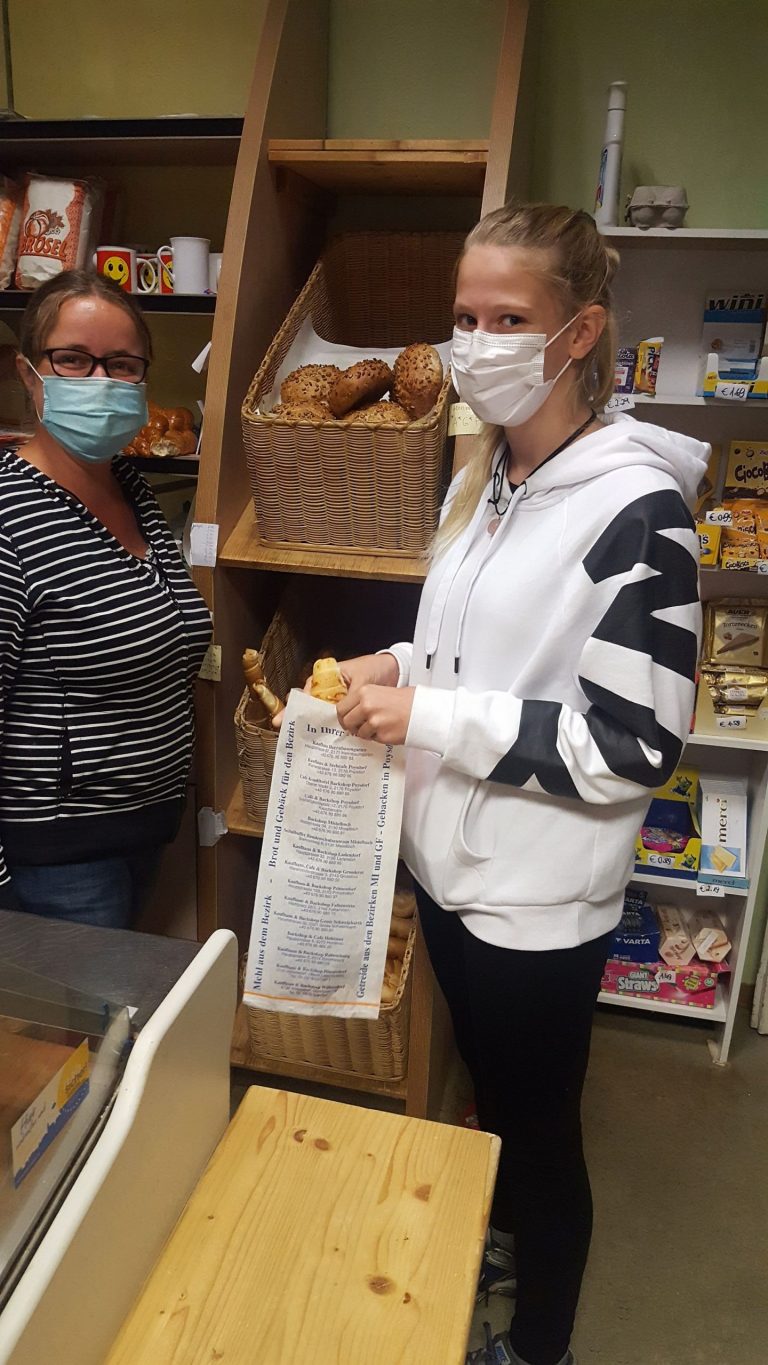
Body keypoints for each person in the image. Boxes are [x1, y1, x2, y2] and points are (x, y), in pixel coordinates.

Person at [328, 203, 707, 1365]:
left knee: (542, 1139)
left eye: (509, 318)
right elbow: (485, 647)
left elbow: (633, 744)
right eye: (464, 315)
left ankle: (539, 1346)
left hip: (535, 909)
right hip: (453, 876)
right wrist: (401, 665)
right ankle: (509, 1255)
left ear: (579, 332)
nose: (476, 341)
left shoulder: (638, 512)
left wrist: (430, 716)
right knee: (497, 1103)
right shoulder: (492, 476)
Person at [0, 270, 211, 929]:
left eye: (121, 365)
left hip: (143, 829)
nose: (100, 381)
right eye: (73, 360)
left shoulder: (130, 488)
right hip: (55, 855)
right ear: (30, 374)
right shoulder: (8, 515)